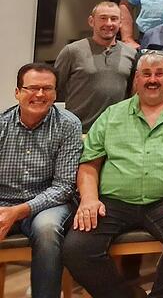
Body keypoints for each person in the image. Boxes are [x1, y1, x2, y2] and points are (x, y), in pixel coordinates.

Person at [62, 52, 163, 298]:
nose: (152, 79)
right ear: (136, 78)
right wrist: (89, 199)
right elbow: (89, 163)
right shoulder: (112, 114)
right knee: (76, 248)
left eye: (159, 73)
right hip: (112, 202)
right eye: (146, 74)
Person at [0, 63, 81, 298]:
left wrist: (19, 211)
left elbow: (64, 187)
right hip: (3, 201)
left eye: (47, 89)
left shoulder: (68, 124)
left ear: (56, 94)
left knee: (47, 231)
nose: (40, 95)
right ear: (17, 92)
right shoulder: (2, 125)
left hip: (47, 204)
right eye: (32, 88)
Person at [54, 1, 137, 132]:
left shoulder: (131, 54)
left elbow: (133, 94)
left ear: (120, 23)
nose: (109, 23)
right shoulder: (72, 51)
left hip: (115, 131)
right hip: (78, 131)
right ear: (92, 21)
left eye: (114, 19)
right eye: (103, 18)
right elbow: (54, 89)